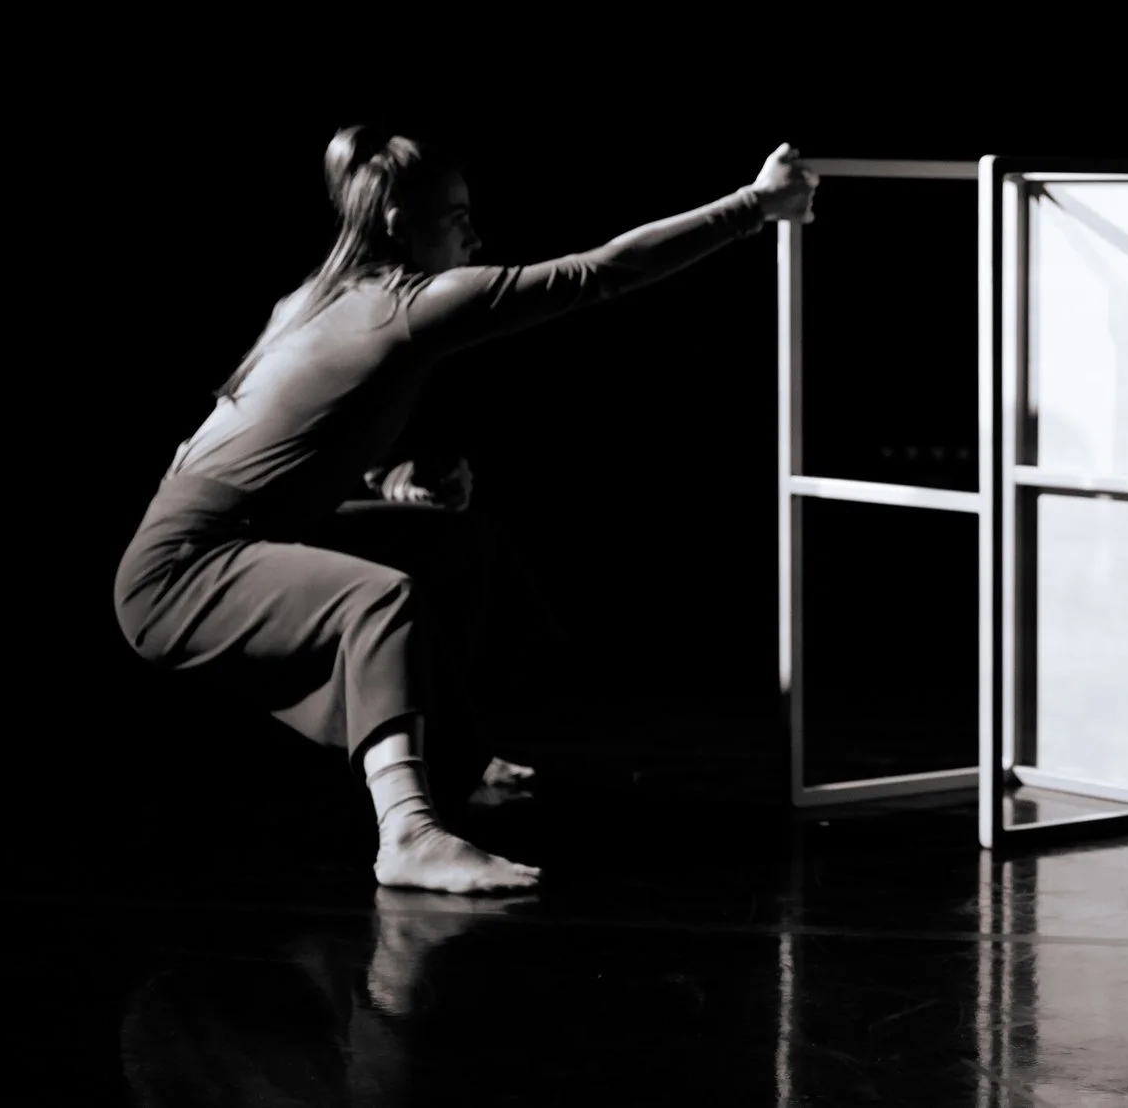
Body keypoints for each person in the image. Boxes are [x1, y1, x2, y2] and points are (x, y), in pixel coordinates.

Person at [115, 128, 818, 892]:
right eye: (456, 216)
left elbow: (277, 442)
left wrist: (387, 480)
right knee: (378, 599)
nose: (474, 234)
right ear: (397, 225)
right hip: (179, 572)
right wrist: (755, 205)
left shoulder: (310, 298)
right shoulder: (412, 304)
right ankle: (408, 833)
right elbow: (600, 273)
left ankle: (455, 754)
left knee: (454, 540)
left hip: (223, 539)